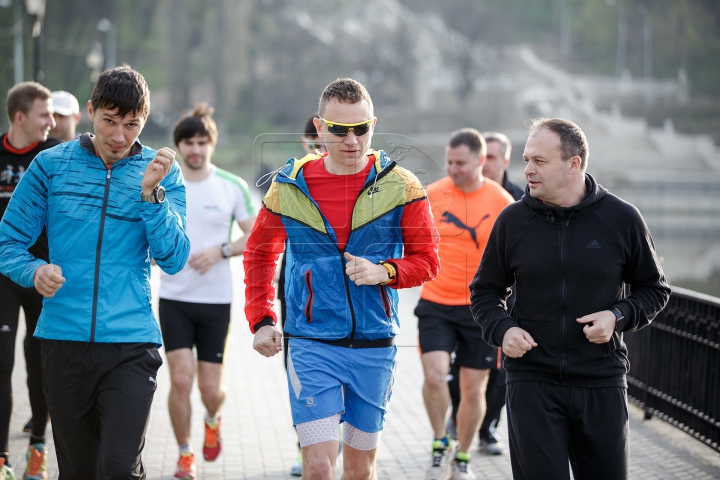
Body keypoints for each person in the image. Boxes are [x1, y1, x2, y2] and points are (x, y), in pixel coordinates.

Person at [244, 78, 440, 480]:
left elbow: (428, 261)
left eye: (361, 129)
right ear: (319, 128)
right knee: (317, 467)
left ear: (373, 125)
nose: (351, 141)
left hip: (374, 344)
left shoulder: (402, 185)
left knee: (359, 471)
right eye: (338, 130)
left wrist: (385, 272)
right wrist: (262, 319)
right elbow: (260, 252)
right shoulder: (289, 186)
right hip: (312, 344)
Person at [0, 66, 190, 479]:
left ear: (144, 119)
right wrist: (34, 271)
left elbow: (174, 259)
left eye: (131, 124)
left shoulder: (162, 172)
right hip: (62, 342)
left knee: (119, 467)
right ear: (90, 111)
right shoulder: (51, 166)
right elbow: (7, 242)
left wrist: (151, 196)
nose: (119, 136)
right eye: (109, 121)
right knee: (78, 471)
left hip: (130, 343)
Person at [469, 118, 671, 480]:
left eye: (539, 161)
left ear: (573, 163)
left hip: (601, 382)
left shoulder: (621, 218)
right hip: (532, 381)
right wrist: (503, 330)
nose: (527, 170)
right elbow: (484, 291)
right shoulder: (512, 220)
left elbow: (655, 289)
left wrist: (617, 316)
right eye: (527, 159)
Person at [159, 103, 256, 479]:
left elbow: (254, 236)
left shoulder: (231, 186)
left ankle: (212, 418)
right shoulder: (166, 183)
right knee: (180, 380)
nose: (195, 149)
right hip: (174, 298)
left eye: (202, 142)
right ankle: (185, 454)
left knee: (210, 390)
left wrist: (222, 250)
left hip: (216, 301)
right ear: (178, 146)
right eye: (188, 142)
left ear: (211, 145)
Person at [417, 128, 513, 480]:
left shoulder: (502, 202)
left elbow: (513, 260)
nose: (453, 169)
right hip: (435, 303)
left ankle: (462, 457)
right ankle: (439, 444)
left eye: (461, 163)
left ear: (480, 160)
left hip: (479, 309)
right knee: (434, 376)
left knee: (473, 389)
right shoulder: (432, 195)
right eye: (449, 162)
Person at [446, 131, 522, 456]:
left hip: (513, 300)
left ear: (504, 161)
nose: (487, 164)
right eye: (484, 157)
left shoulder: (520, 197)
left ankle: (488, 427)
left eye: (493, 158)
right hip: (473, 298)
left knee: (500, 373)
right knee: (461, 372)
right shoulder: (460, 193)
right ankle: (461, 415)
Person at [0, 81, 59, 480]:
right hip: (3, 273)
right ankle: (2, 458)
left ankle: (38, 444)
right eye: (44, 114)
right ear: (20, 117)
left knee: (38, 365)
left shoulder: (53, 158)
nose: (52, 122)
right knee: (1, 363)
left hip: (44, 276)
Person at [278, 114, 328, 477]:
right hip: (296, 296)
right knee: (302, 381)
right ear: (305, 142)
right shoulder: (292, 180)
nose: (319, 150)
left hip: (344, 303)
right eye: (314, 144)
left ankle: (331, 445)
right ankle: (305, 446)